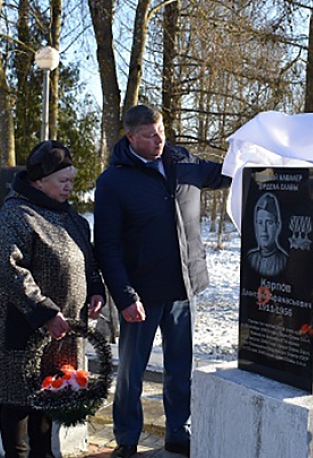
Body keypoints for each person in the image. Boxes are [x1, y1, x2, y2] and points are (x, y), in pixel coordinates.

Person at [94, 104, 231, 458]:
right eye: (149, 135)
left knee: (179, 369)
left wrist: (262, 157)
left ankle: (177, 432)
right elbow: (106, 247)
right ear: (130, 137)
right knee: (131, 373)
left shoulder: (184, 163)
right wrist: (124, 297)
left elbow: (228, 173)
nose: (158, 140)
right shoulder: (113, 182)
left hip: (184, 290)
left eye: (161, 131)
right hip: (140, 296)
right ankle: (126, 439)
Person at [0, 140, 105, 458]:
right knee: (18, 399)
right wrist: (45, 311)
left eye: (72, 180)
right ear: (38, 180)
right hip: (21, 325)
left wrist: (95, 290)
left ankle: (43, 454)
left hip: (60, 330)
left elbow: (89, 262)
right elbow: (11, 271)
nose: (69, 187)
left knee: (50, 393)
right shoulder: (16, 215)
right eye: (62, 181)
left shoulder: (73, 219)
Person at [247, 192, 289, 277]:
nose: (264, 229)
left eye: (269, 222)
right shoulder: (251, 258)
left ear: (277, 226)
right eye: (260, 223)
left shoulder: (284, 261)